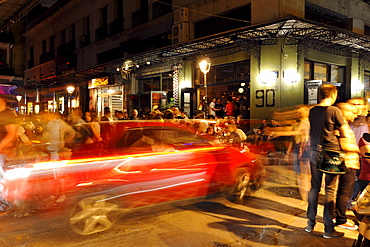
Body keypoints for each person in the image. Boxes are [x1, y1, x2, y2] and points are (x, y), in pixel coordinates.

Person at [305, 84, 353, 239]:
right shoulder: (334, 111)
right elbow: (346, 133)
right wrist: (338, 132)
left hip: (314, 151)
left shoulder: (312, 111)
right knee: (330, 190)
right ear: (333, 95)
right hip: (331, 153)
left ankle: (310, 224)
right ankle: (328, 229)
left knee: (314, 188)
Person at [334, 103, 360, 230]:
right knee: (345, 192)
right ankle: (340, 219)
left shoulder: (343, 126)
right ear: (343, 112)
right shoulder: (342, 126)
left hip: (348, 162)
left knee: (343, 192)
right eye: (352, 112)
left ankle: (337, 215)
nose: (355, 115)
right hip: (348, 163)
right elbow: (344, 145)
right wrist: (360, 149)